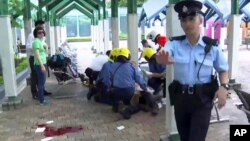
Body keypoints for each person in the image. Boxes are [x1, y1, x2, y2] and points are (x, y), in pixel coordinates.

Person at [156, 1, 229, 141]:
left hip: (202, 101)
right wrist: (162, 58)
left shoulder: (212, 47)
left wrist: (223, 87)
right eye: (184, 19)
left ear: (200, 20)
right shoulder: (174, 44)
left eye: (191, 18)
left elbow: (223, 70)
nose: (188, 23)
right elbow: (163, 54)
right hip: (181, 100)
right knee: (184, 138)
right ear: (181, 23)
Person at [108, 48, 159, 119]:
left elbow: (109, 79)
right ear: (128, 56)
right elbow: (139, 80)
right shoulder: (131, 67)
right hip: (128, 91)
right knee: (143, 98)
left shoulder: (112, 66)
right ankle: (128, 110)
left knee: (122, 97)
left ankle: (116, 106)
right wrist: (145, 89)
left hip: (115, 91)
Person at [26, 20, 51, 99]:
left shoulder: (41, 37)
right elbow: (28, 46)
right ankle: (35, 93)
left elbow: (43, 44)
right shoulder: (31, 36)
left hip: (41, 58)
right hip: (34, 57)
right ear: (37, 26)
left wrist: (45, 46)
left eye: (43, 28)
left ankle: (42, 91)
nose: (43, 29)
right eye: (42, 27)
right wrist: (38, 47)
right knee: (34, 76)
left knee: (41, 77)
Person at [32, 26, 49, 105]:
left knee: (42, 81)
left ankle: (41, 98)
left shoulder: (41, 41)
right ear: (36, 34)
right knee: (41, 82)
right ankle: (41, 100)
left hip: (43, 63)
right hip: (39, 64)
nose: (41, 33)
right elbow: (37, 55)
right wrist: (42, 66)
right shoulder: (36, 42)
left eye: (42, 32)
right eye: (39, 32)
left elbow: (46, 47)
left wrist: (46, 47)